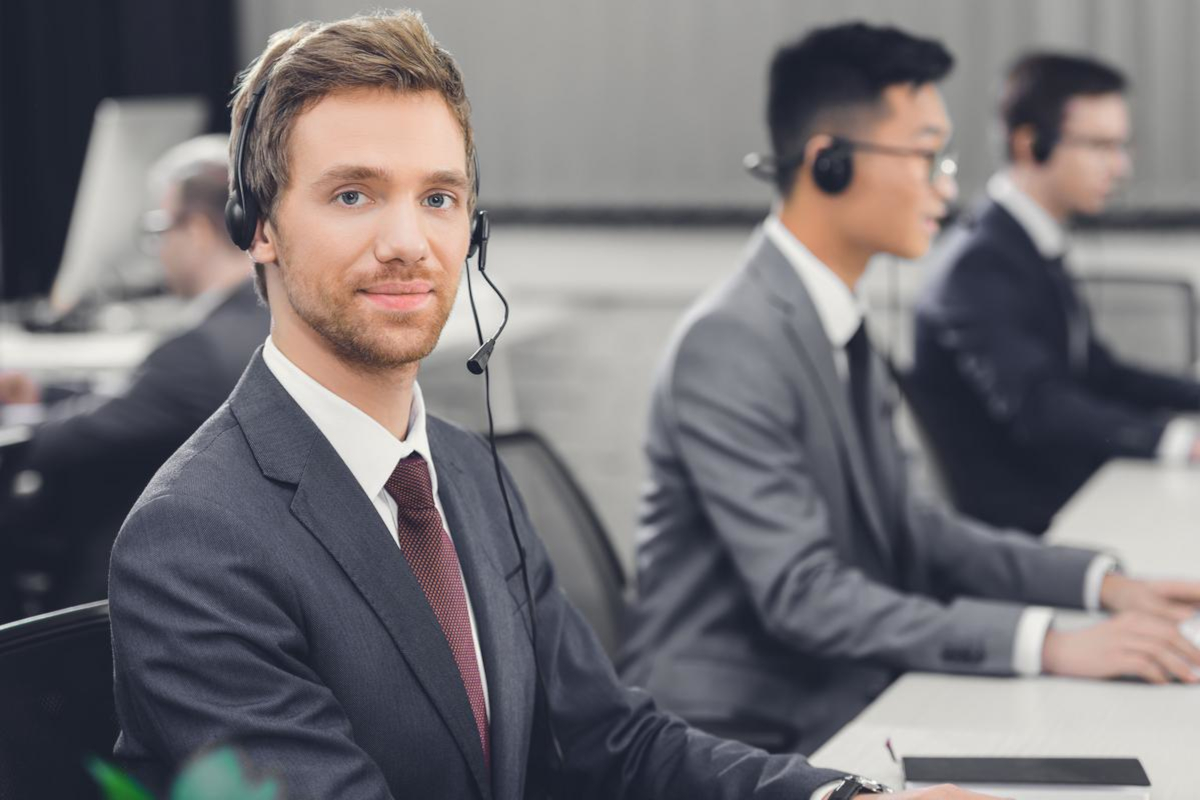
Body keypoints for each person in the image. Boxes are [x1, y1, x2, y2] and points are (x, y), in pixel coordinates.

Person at [106, 11, 1001, 800]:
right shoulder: (195, 541)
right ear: (259, 226)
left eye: (439, 197)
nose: (409, 242)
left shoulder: (465, 472)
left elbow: (609, 743)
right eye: (353, 194)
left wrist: (841, 798)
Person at [620, 23, 1200, 757]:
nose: (947, 188)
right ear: (830, 164)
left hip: (833, 692)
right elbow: (805, 594)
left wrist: (1100, 584)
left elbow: (914, 529)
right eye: (926, 156)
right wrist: (1048, 642)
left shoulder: (833, 320)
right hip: (733, 733)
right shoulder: (732, 341)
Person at [909, 53, 1200, 535]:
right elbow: (1041, 408)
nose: (1120, 167)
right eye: (1101, 146)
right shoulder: (977, 265)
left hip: (1077, 493)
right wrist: (1179, 442)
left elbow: (1099, 372)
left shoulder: (1025, 244)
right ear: (1032, 144)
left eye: (1122, 146)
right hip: (1034, 525)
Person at [0, 134, 267, 613]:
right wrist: (39, 391)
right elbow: (136, 401)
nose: (156, 249)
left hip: (158, 584)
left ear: (197, 231)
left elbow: (66, 440)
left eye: (159, 228)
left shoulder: (196, 352)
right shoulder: (268, 319)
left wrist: (19, 421)